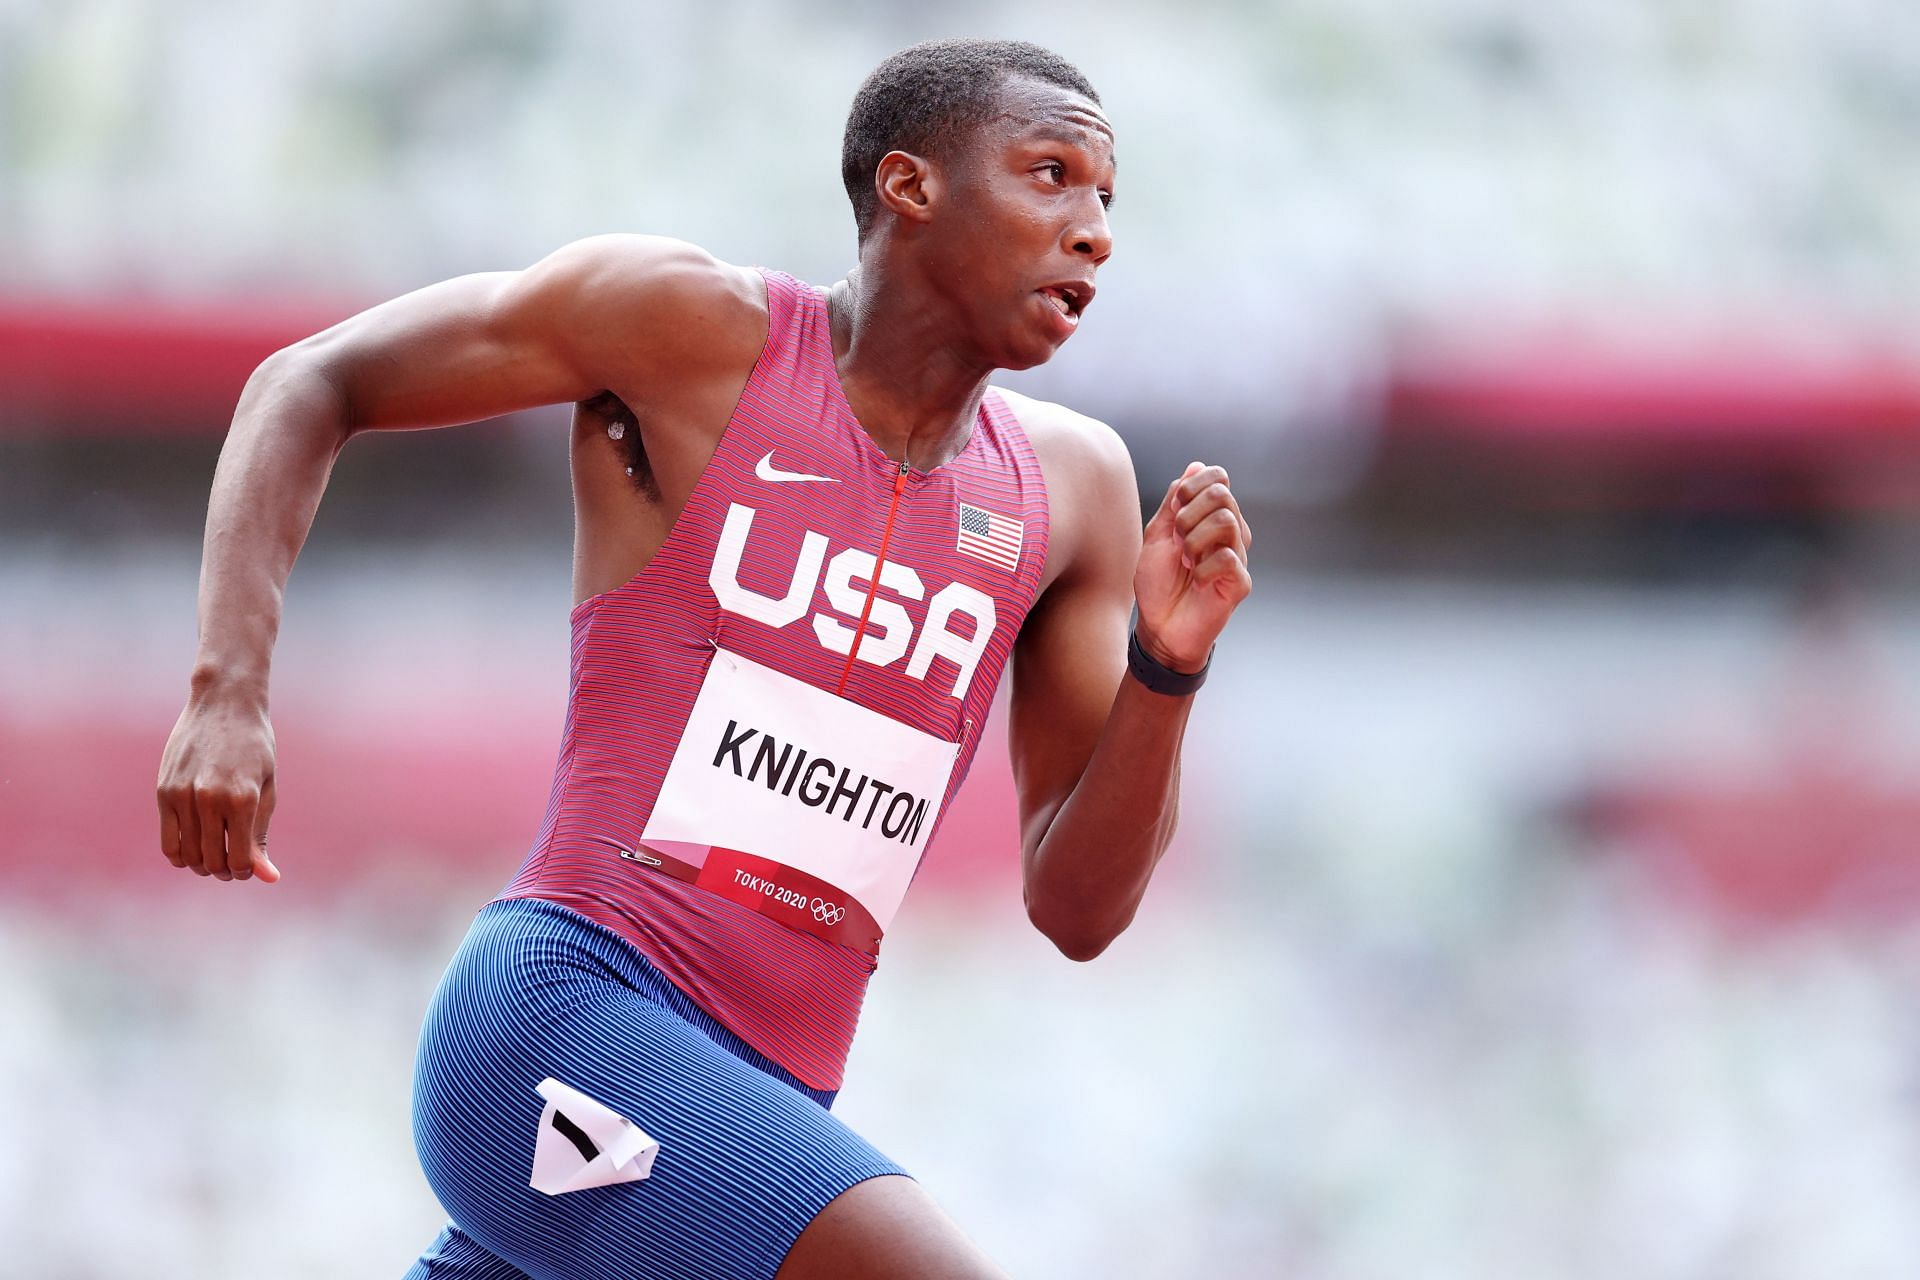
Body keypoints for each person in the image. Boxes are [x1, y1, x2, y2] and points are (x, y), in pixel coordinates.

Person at [154, 37, 1252, 1280]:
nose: (1094, 228)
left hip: (755, 1095)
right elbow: (313, 376)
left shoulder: (1074, 488)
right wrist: (225, 689)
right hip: (568, 1012)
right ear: (910, 185)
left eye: (1107, 198)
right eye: (1052, 174)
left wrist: (1167, 668)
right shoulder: (689, 333)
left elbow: (1079, 908)